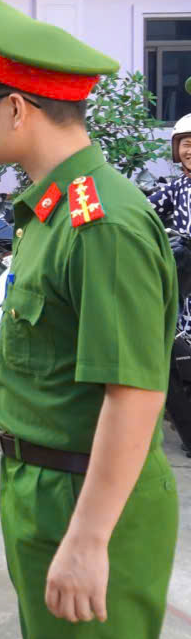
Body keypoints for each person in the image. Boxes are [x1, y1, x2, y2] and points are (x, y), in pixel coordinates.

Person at [0, 0, 178, 639]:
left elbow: (133, 391)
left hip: (84, 495)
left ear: (17, 108)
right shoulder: (51, 210)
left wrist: (88, 540)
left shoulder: (101, 222)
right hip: (43, 484)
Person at [145, 97, 191, 456]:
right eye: (185, 143)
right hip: (182, 284)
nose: (189, 150)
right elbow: (141, 211)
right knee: (174, 356)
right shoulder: (176, 189)